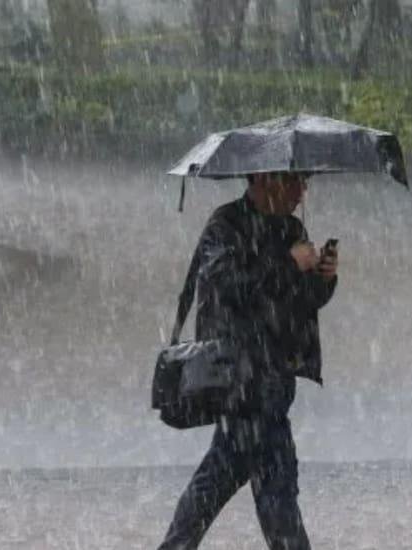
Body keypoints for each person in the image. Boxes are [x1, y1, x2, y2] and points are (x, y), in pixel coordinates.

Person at [158, 171, 337, 550]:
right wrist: (289, 263)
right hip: (240, 381)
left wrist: (323, 279)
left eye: (303, 182)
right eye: (294, 182)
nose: (302, 191)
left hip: (274, 380)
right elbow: (228, 287)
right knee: (253, 491)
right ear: (265, 180)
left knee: (258, 492)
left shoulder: (291, 228)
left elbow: (301, 301)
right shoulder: (226, 226)